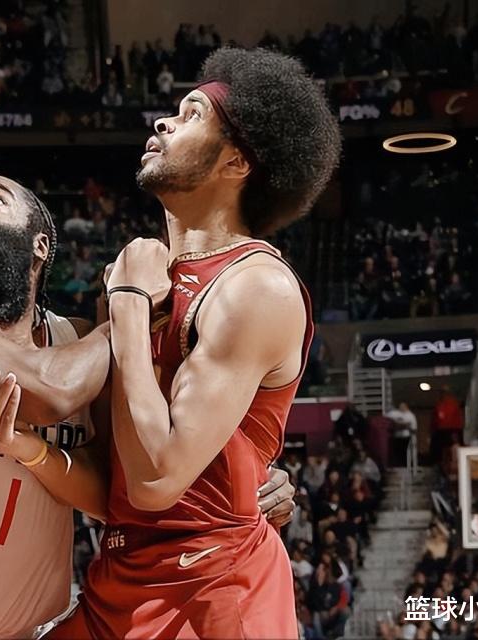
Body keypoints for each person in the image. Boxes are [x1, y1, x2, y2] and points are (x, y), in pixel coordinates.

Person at [0, 174, 296, 639]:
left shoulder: (74, 340)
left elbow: (117, 491)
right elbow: (47, 391)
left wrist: (253, 485)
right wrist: (126, 311)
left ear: (40, 246)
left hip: (29, 634)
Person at [46, 46, 340, 639]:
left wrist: (128, 305)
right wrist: (21, 446)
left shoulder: (255, 285)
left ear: (236, 161)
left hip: (212, 587)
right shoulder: (142, 275)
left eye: (191, 115)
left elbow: (155, 479)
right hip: (121, 571)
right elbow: (115, 473)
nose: (163, 122)